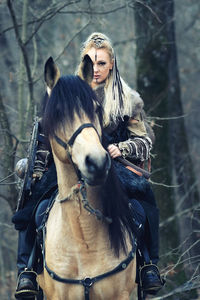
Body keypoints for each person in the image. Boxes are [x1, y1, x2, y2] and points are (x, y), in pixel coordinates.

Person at [13, 32, 164, 299]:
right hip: (70, 163)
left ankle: (148, 265)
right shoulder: (67, 92)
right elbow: (48, 135)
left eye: (102, 63)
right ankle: (27, 270)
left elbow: (144, 141)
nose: (96, 69)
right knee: (33, 206)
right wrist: (36, 166)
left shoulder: (127, 99)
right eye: (92, 63)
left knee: (142, 203)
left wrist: (123, 148)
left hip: (113, 162)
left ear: (112, 65)